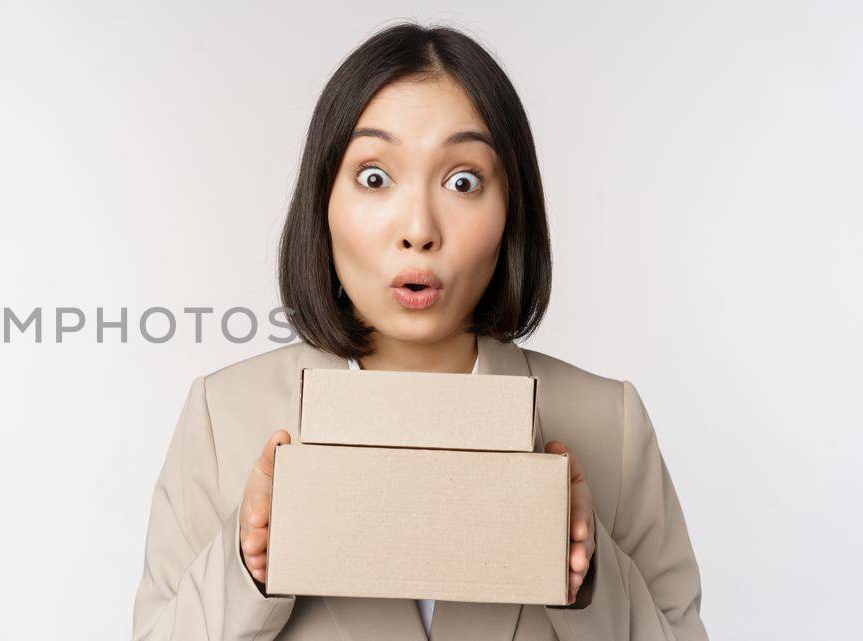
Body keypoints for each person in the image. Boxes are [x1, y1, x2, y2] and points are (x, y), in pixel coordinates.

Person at [130, 23, 707, 641]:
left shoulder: (608, 424)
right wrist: (246, 566)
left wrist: (591, 577)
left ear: (511, 210)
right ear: (322, 201)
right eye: (375, 177)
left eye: (463, 181)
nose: (418, 228)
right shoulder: (224, 417)